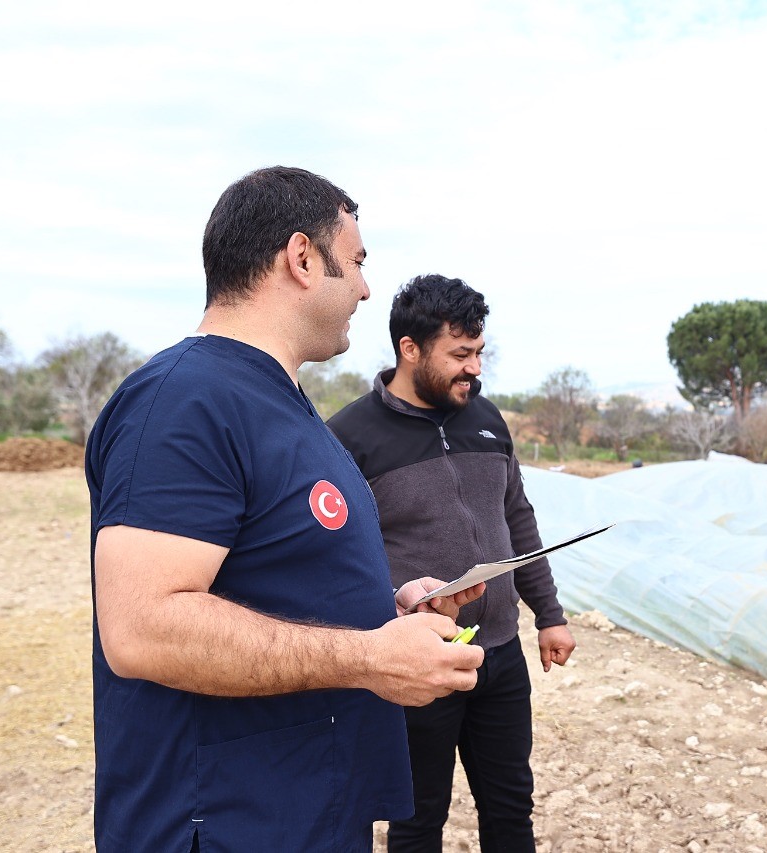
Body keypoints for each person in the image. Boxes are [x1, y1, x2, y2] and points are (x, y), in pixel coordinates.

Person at [86, 167, 487, 853]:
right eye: (356, 262)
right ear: (302, 258)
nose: (365, 287)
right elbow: (141, 626)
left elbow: (274, 579)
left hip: (310, 809)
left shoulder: (286, 404)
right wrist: (365, 656)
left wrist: (389, 614)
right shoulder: (186, 400)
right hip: (222, 823)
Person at [327, 274, 574, 853]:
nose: (475, 369)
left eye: (479, 352)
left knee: (511, 808)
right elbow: (340, 560)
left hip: (500, 656)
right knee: (417, 820)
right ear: (410, 350)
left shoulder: (486, 418)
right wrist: (399, 600)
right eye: (460, 354)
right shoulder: (348, 439)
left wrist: (549, 614)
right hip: (418, 662)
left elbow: (518, 520)